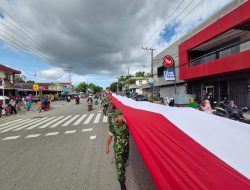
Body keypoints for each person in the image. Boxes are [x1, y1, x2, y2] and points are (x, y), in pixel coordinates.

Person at [106, 110, 129, 190]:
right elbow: (109, 138)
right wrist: (107, 147)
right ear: (115, 118)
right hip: (118, 149)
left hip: (126, 149)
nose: (121, 117)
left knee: (125, 160)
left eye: (121, 116)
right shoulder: (113, 127)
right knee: (120, 166)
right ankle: (122, 182)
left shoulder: (126, 124)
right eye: (119, 116)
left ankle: (122, 168)